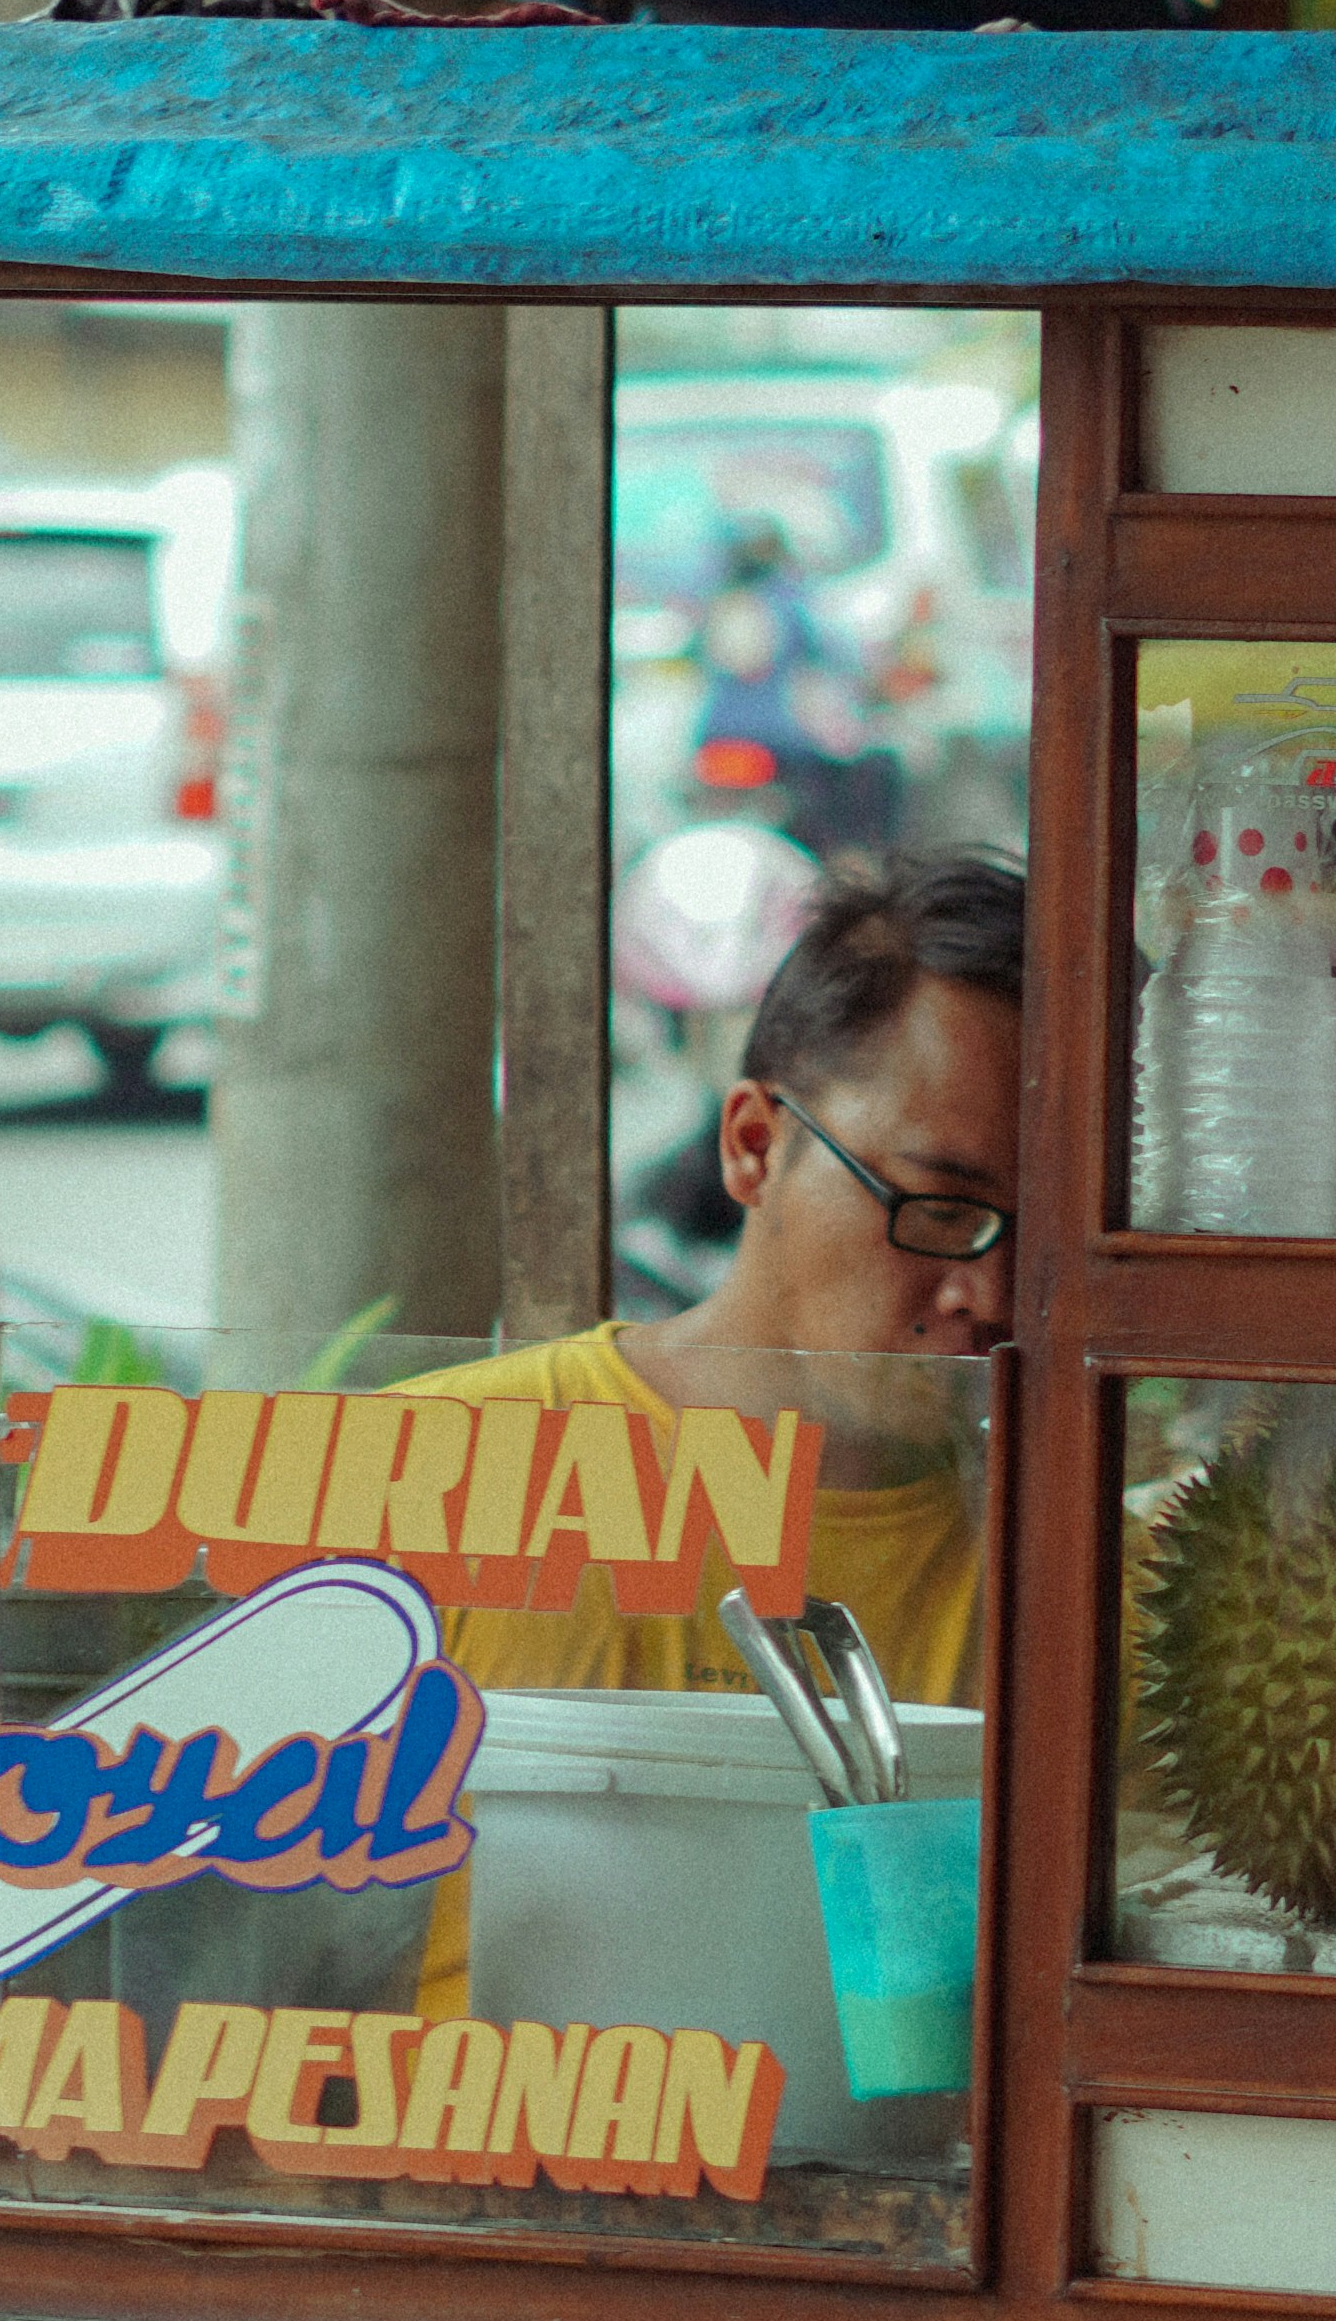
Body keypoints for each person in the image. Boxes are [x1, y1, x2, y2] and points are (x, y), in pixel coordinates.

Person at [411, 854, 1016, 2019]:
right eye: (940, 1208)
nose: (986, 1295)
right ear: (752, 1145)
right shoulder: (434, 1473)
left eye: (1051, 1238)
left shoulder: (1085, 1575)